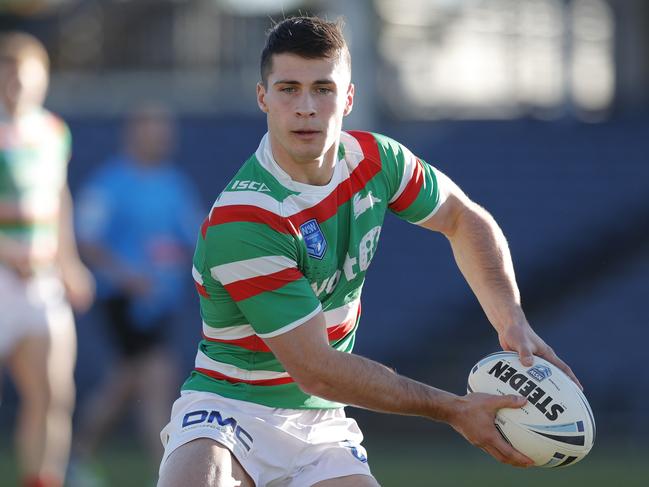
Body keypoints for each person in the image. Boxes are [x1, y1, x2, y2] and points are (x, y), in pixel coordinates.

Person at [157, 16, 582, 487]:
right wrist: (454, 410)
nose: (306, 107)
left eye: (323, 88)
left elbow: (464, 218)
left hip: (320, 426)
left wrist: (511, 320)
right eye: (288, 89)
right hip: (229, 408)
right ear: (263, 98)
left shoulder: (377, 160)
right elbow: (317, 370)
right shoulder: (247, 215)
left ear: (349, 98)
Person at [71, 102, 203, 480]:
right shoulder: (110, 183)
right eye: (152, 128)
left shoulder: (174, 183)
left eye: (165, 130)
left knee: (125, 383)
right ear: (134, 133)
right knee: (157, 379)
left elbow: (195, 239)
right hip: (123, 300)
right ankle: (167, 473)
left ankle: (76, 456)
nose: (161, 137)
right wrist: (128, 275)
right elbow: (88, 239)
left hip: (160, 303)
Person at [0, 32, 94, 487]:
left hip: (41, 282)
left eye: (25, 70)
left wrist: (69, 262)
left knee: (54, 395)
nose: (16, 80)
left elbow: (59, 199)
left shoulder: (54, 131)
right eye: (7, 69)